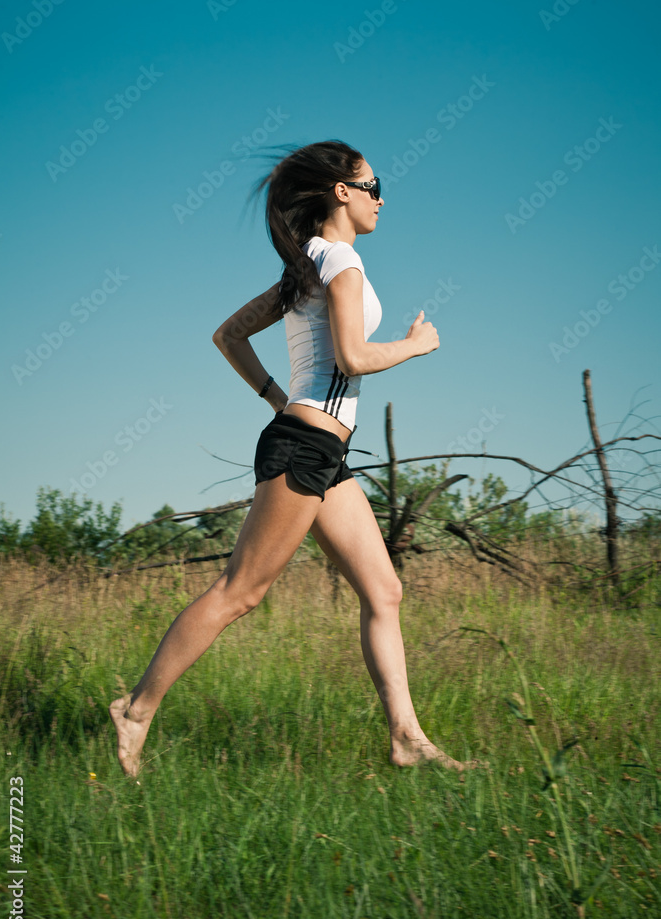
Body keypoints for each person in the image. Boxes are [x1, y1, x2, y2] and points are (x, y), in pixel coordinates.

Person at [110, 140, 479, 778]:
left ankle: (407, 739)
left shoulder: (307, 263)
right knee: (240, 591)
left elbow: (228, 334)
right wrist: (416, 345)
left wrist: (279, 401)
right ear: (342, 191)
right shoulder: (340, 266)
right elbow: (354, 359)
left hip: (318, 447)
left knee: (384, 590)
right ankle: (136, 709)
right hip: (306, 446)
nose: (381, 199)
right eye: (373, 185)